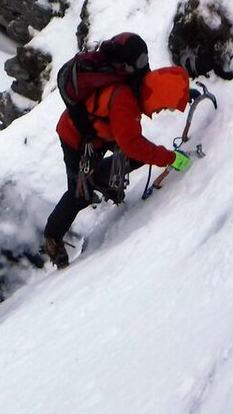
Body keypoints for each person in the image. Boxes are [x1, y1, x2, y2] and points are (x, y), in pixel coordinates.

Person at [42, 65, 192, 267]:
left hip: (100, 133)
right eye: (163, 106)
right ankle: (52, 238)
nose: (158, 111)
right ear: (159, 96)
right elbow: (133, 145)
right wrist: (169, 158)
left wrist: (182, 93)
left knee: (133, 157)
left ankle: (99, 179)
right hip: (76, 137)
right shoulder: (125, 100)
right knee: (80, 193)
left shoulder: (139, 85)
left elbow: (132, 144)